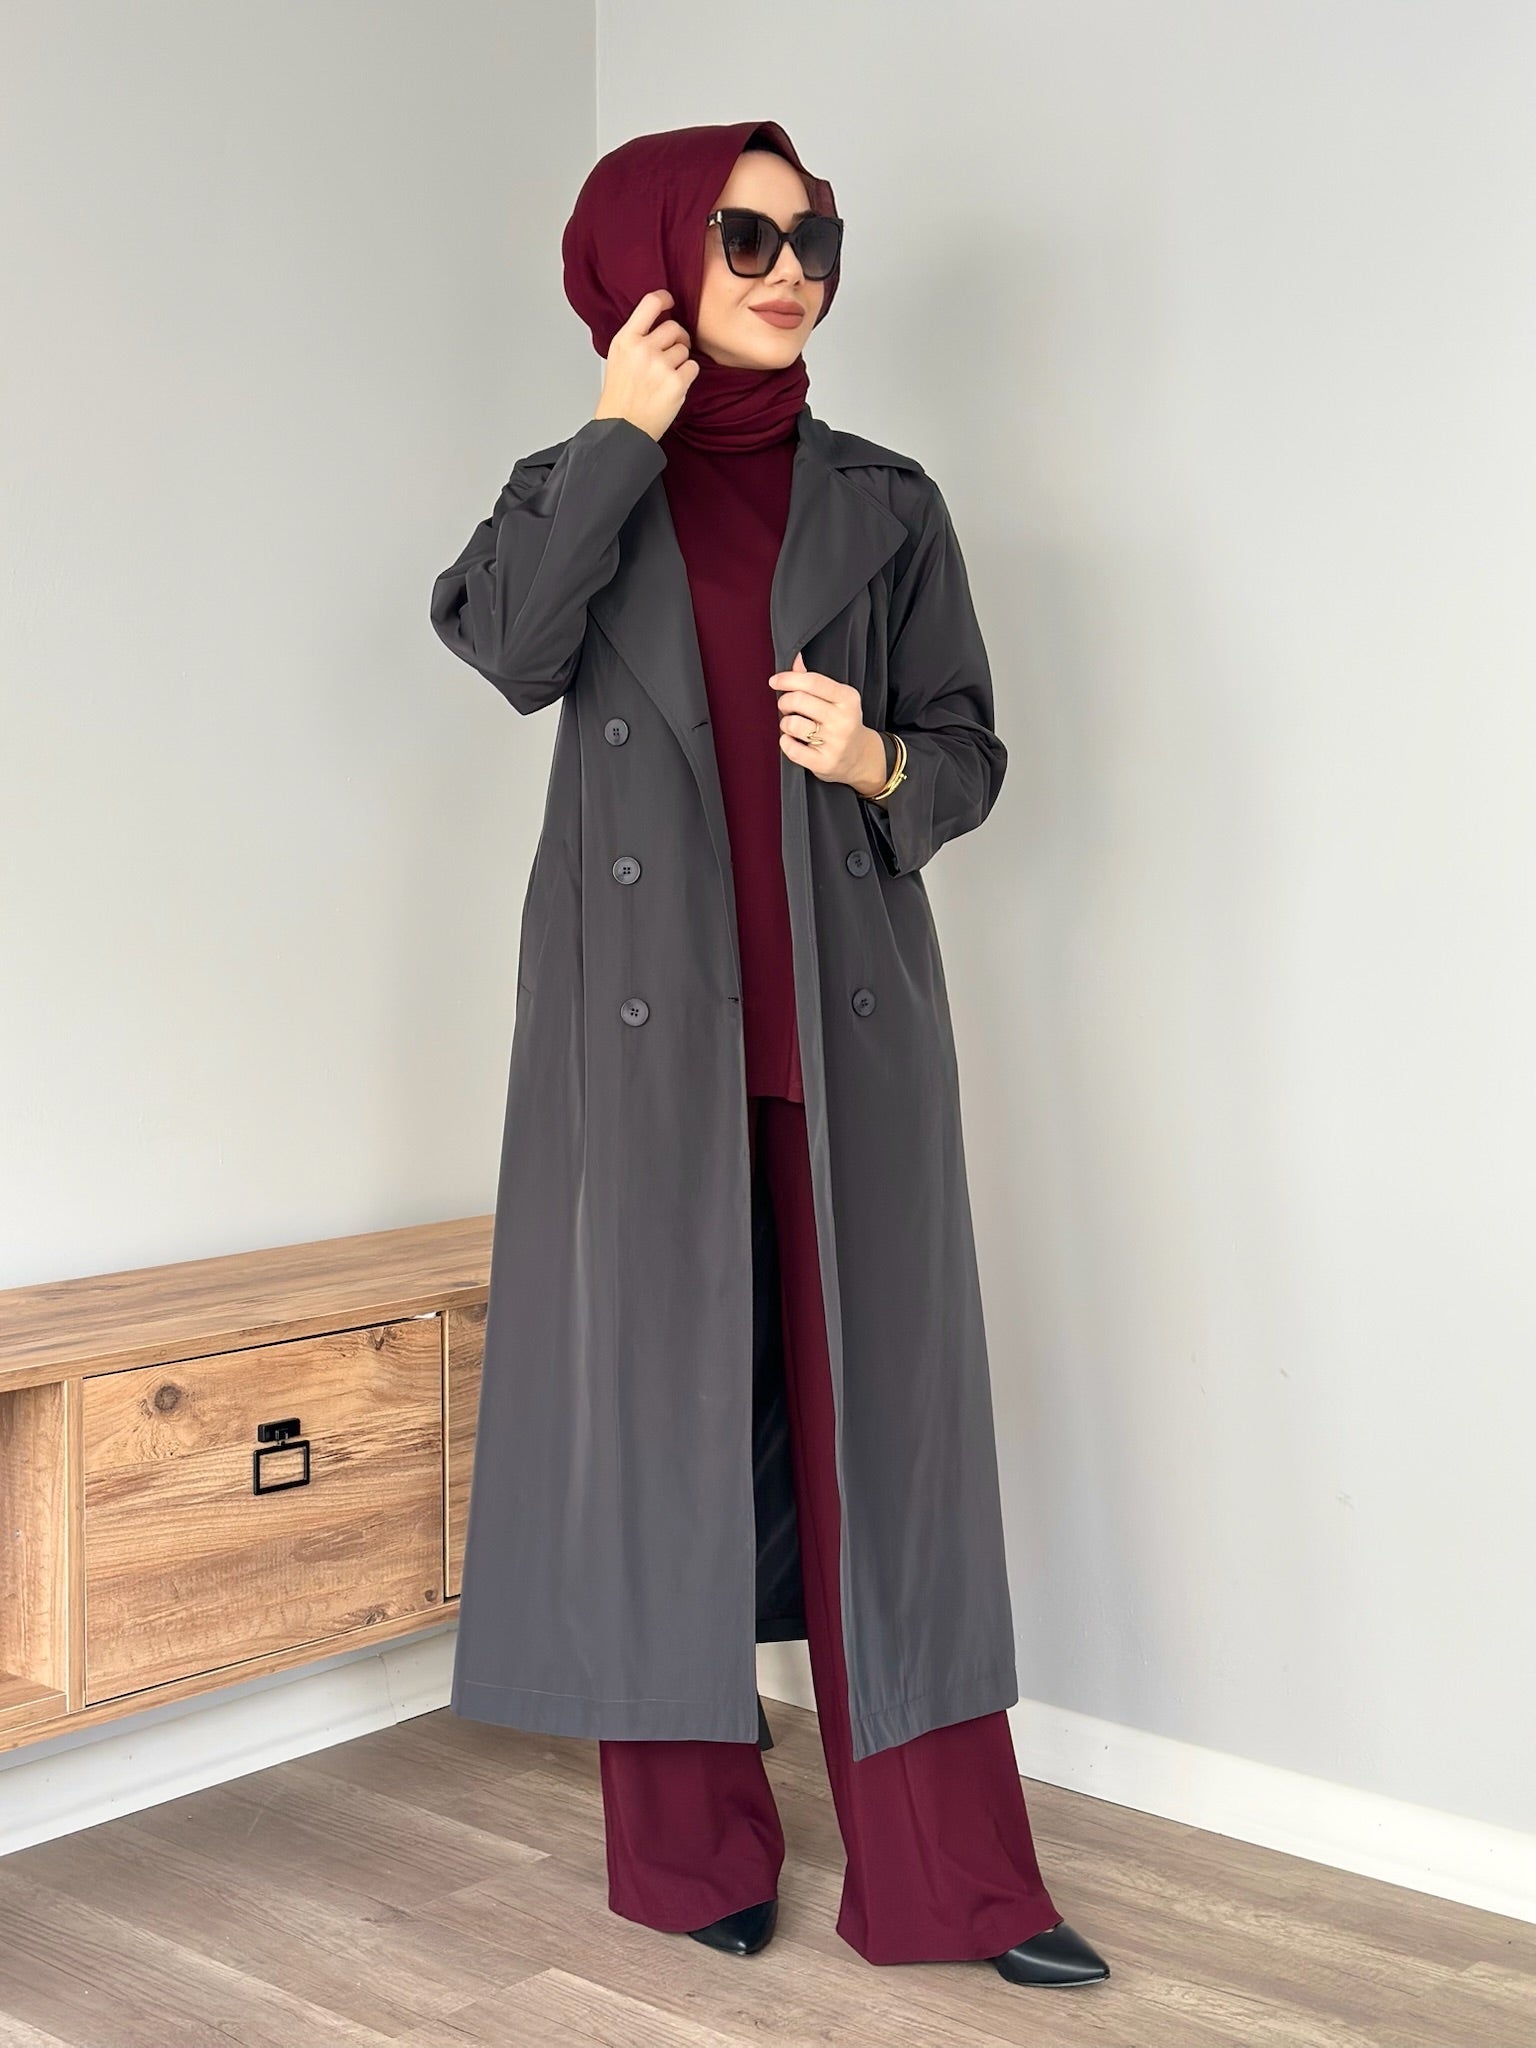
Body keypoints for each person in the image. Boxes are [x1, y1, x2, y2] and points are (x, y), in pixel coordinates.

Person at [430, 120, 1109, 1989]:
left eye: (813, 238)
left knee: (892, 1457)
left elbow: (970, 748)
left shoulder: (887, 501)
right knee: (653, 1443)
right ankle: (685, 1856)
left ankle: (959, 1883)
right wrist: (618, 435)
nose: (790, 269)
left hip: (845, 1039)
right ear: (656, 253)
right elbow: (509, 648)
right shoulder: (572, 487)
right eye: (745, 236)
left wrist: (879, 758)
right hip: (637, 1050)